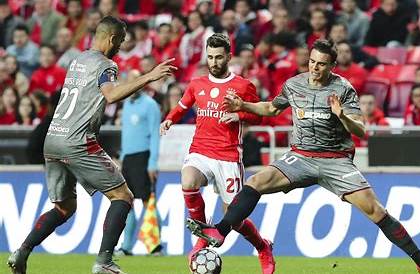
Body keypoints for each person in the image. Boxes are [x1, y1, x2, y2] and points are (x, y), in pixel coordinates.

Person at [186, 39, 420, 274]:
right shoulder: (294, 84)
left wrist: (342, 115)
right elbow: (270, 108)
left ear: (332, 66)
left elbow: (361, 129)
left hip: (335, 160)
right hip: (300, 156)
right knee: (257, 182)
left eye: (321, 64)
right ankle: (220, 231)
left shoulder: (343, 89)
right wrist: (243, 105)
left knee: (376, 211)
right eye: (312, 61)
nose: (314, 68)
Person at [7, 16, 176, 274]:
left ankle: (22, 251)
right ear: (111, 38)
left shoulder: (77, 60)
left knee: (64, 207)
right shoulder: (106, 65)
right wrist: (149, 77)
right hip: (77, 141)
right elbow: (111, 94)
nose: (119, 47)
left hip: (52, 139)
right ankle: (104, 262)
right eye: (119, 41)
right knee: (123, 196)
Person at [160, 33, 275, 274]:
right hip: (200, 149)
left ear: (229, 57)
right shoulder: (197, 83)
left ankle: (262, 247)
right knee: (188, 180)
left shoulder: (243, 85)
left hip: (228, 155)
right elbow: (182, 106)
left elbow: (259, 114)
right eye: (210, 57)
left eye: (218, 57)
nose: (214, 62)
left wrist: (239, 114)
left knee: (234, 218)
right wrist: (169, 120)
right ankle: (203, 233)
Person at [116, 69, 163, 256]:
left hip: (143, 158)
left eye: (136, 81)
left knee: (147, 203)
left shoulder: (150, 105)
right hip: (128, 159)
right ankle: (126, 246)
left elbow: (155, 136)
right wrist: (122, 157)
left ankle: (156, 245)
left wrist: (152, 163)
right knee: (127, 202)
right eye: (130, 81)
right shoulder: (126, 103)